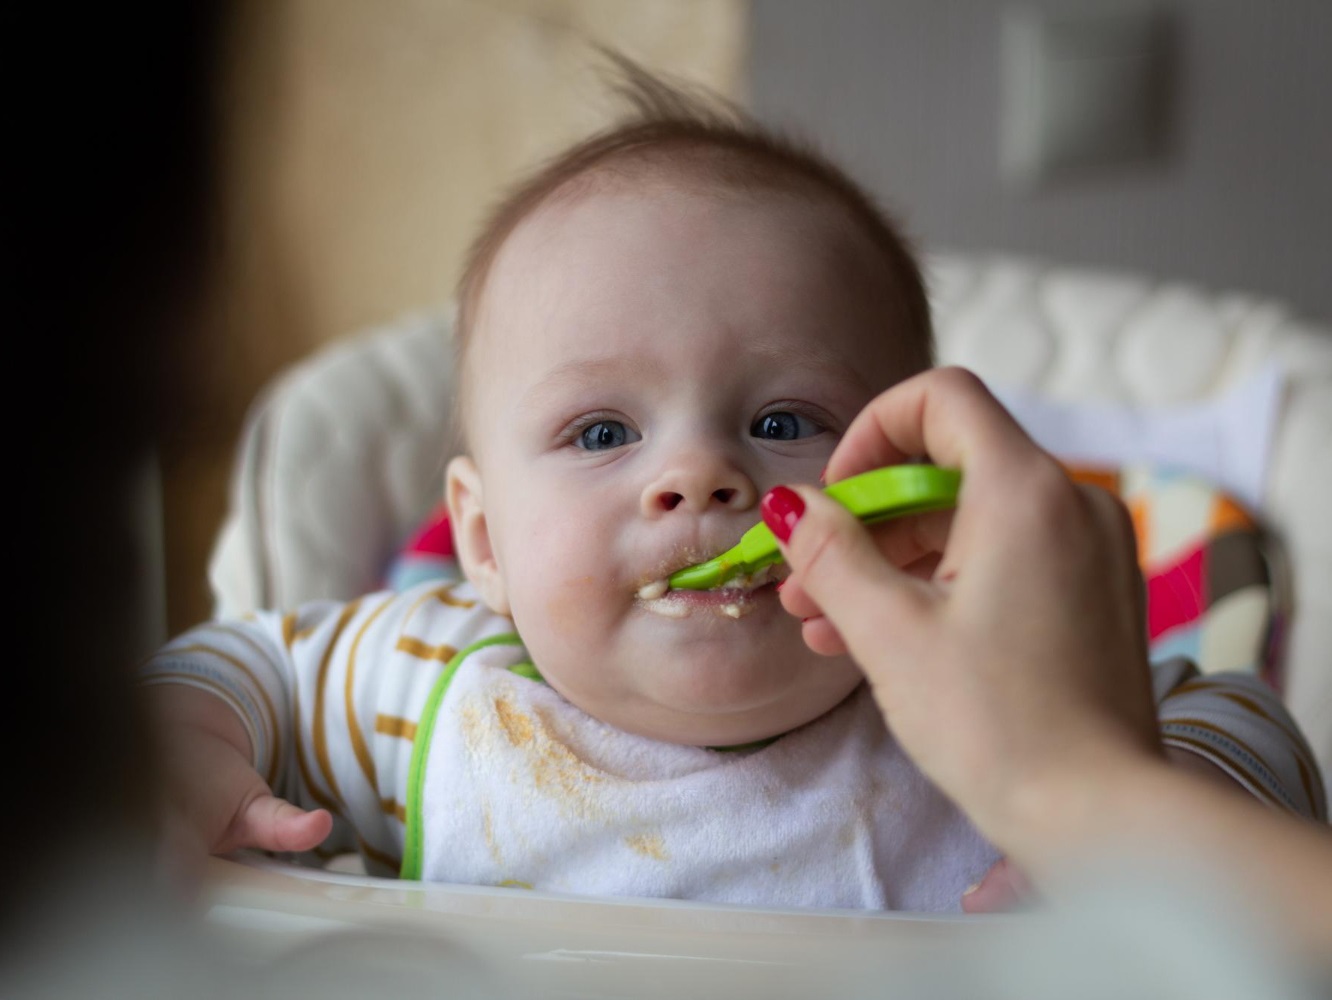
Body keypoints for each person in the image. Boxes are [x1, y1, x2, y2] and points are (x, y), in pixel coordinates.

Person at [141, 58, 1323, 913]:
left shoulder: (968, 685)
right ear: (483, 543)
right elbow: (254, 662)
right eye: (603, 430)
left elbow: (1243, 722)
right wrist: (188, 736)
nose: (699, 473)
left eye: (780, 420)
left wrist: (1123, 820)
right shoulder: (436, 686)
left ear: (911, 502)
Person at [763, 364, 1332, 960]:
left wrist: (1108, 794)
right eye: (646, 434)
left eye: (780, 424)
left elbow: (1254, 738)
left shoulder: (1031, 692)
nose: (692, 475)